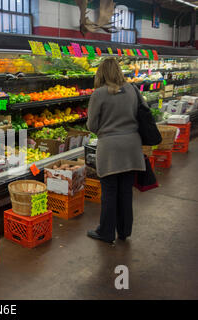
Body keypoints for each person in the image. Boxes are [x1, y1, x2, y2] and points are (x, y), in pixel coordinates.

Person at [86, 57, 146, 244]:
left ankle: (106, 232)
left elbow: (92, 125)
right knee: (126, 191)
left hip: (110, 149)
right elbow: (143, 113)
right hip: (132, 147)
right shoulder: (132, 89)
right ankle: (125, 231)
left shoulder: (99, 94)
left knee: (110, 192)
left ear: (101, 73)